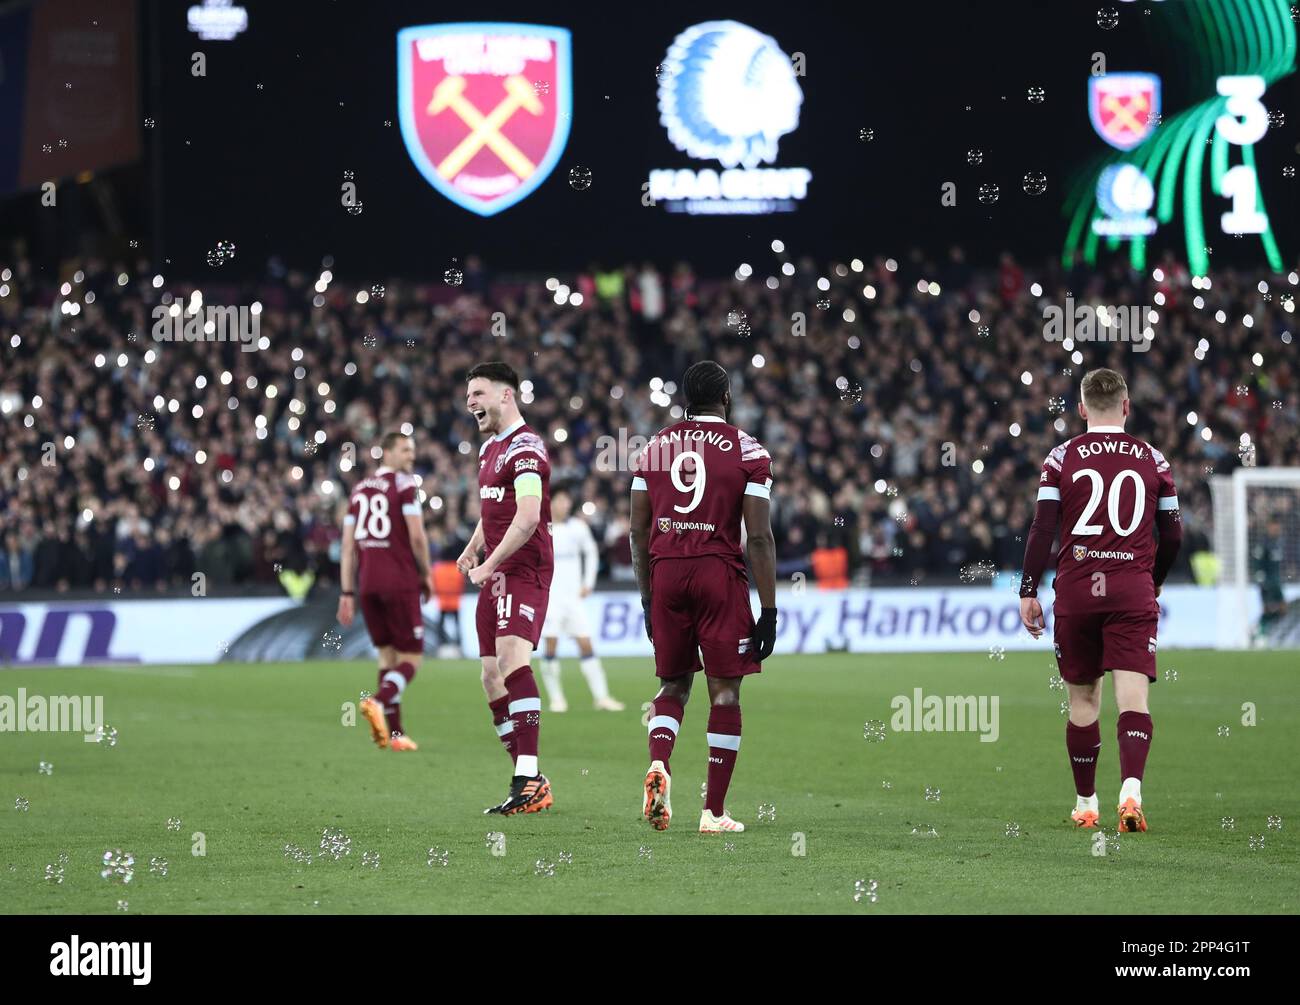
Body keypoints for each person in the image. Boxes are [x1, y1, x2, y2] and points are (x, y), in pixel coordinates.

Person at [1019, 368, 1182, 833]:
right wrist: (1155, 579)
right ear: (1127, 407)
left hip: (1076, 590)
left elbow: (1042, 530)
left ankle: (1087, 803)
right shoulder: (1153, 459)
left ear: (1083, 408)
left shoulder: (1060, 457)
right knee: (1133, 697)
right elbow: (1172, 533)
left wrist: (1028, 589)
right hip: (1132, 589)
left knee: (1083, 701)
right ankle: (1130, 793)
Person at [629, 360, 778, 834]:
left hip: (666, 573)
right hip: (718, 573)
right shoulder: (749, 450)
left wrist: (647, 598)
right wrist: (769, 610)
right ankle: (713, 812)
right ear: (727, 398)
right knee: (725, 691)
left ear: (684, 401)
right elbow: (758, 537)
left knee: (673, 686)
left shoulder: (651, 449)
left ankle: (659, 763)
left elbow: (637, 530)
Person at [460, 362, 555, 816]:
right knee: (489, 675)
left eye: (478, 393)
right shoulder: (489, 450)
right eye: (468, 397)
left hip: (523, 569)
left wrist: (491, 562)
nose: (471, 403)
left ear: (506, 396)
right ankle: (529, 776)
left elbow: (529, 514)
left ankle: (527, 778)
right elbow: (493, 509)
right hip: (496, 571)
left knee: (513, 661)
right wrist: (473, 547)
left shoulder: (526, 447)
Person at [337, 432, 431, 753]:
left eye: (412, 450)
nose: (411, 456)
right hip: (399, 581)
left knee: (386, 655)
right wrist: (426, 574)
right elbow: (417, 537)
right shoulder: (405, 486)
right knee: (412, 658)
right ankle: (378, 700)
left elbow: (348, 545)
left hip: (367, 584)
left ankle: (396, 734)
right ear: (387, 452)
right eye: (405, 450)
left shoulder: (358, 489)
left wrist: (346, 591)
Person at [539, 484, 624, 713]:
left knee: (586, 643)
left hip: (572, 598)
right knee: (550, 645)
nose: (563, 504)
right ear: (550, 502)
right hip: (550, 599)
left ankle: (602, 697)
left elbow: (591, 553)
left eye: (566, 500)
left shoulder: (577, 527)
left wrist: (588, 583)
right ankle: (557, 699)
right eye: (559, 500)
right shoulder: (541, 528)